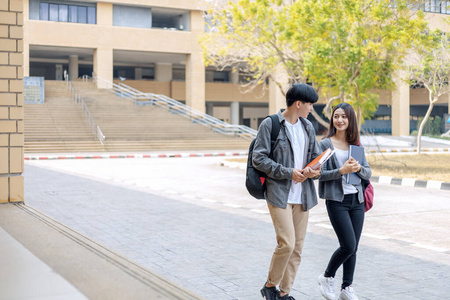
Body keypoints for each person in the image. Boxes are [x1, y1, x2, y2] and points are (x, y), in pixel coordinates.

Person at [252, 83, 322, 300]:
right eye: (310, 104)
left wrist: (314, 170)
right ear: (298, 104)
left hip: (303, 196)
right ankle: (270, 284)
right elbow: (259, 158)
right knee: (287, 243)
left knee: (297, 248)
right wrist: (288, 172)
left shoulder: (308, 127)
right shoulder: (270, 124)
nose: (311, 109)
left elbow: (316, 159)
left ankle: (284, 293)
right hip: (279, 194)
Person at [316, 103, 371, 300]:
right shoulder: (324, 144)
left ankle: (346, 287)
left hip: (356, 200)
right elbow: (317, 175)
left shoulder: (355, 146)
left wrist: (357, 169)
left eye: (344, 117)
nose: (339, 120)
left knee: (353, 246)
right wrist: (341, 171)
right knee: (347, 244)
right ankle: (326, 276)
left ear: (350, 120)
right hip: (336, 201)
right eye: (336, 116)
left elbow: (368, 171)